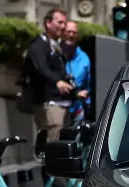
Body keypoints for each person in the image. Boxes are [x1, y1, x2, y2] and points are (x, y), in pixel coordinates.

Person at [23, 8, 84, 141]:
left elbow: (62, 73)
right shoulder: (38, 45)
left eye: (64, 23)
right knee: (52, 144)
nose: (63, 26)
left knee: (63, 145)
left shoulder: (57, 46)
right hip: (49, 103)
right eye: (59, 22)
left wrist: (75, 92)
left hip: (63, 103)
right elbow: (40, 68)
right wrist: (57, 82)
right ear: (48, 23)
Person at [62, 21, 91, 124]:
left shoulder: (84, 58)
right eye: (68, 32)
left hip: (77, 108)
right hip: (59, 106)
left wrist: (86, 94)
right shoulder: (55, 54)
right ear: (63, 32)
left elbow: (89, 84)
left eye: (74, 32)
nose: (71, 35)